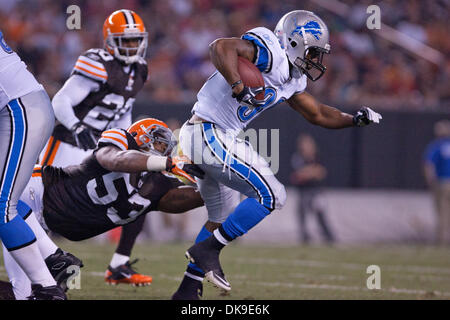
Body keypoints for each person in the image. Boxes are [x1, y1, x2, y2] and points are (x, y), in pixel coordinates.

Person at [172, 10, 382, 300]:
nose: (316, 60)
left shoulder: (293, 79)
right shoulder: (271, 53)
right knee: (273, 194)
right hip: (208, 131)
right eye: (313, 52)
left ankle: (186, 291)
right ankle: (208, 249)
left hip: (211, 135)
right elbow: (220, 47)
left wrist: (354, 119)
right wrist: (237, 84)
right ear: (295, 43)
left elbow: (318, 113)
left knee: (219, 219)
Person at [3, 118, 205, 299]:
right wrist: (166, 163)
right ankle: (55, 258)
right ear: (142, 136)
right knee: (3, 203)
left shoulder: (157, 186)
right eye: (160, 143)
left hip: (42, 221)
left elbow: (183, 199)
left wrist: (216, 187)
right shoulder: (119, 138)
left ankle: (57, 265)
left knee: (25, 294)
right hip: (34, 193)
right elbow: (114, 159)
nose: (164, 149)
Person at [38, 9, 156, 286]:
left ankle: (119, 264)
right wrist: (78, 128)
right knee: (42, 207)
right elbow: (61, 102)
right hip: (68, 141)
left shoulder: (140, 69)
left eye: (134, 40)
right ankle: (40, 272)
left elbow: (123, 110)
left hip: (99, 146)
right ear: (110, 41)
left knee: (136, 196)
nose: (131, 46)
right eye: (124, 40)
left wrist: (126, 141)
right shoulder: (97, 63)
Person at [0, 30, 66, 300]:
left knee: (2, 204)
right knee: (5, 200)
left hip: (20, 109)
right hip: (15, 109)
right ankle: (55, 257)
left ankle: (48, 289)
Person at [290, 134, 334, 244]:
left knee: (321, 214)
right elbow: (299, 175)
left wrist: (308, 172)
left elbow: (321, 172)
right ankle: (305, 237)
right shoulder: (298, 157)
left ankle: (328, 237)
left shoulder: (317, 156)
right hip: (303, 191)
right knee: (302, 215)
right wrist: (312, 171)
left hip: (317, 191)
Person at [423, 120, 450, 245]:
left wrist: (430, 180)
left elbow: (429, 164)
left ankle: (442, 239)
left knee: (441, 211)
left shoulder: (436, 146)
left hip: (441, 182)